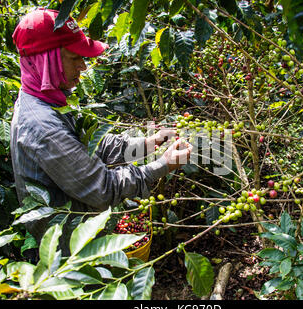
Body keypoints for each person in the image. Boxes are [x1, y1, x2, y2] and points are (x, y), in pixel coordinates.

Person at [10, 8, 192, 254]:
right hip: (70, 247)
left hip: (82, 229)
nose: (84, 67)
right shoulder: (44, 127)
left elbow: (91, 145)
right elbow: (102, 189)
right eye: (75, 58)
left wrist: (148, 143)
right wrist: (162, 166)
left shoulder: (46, 98)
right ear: (47, 59)